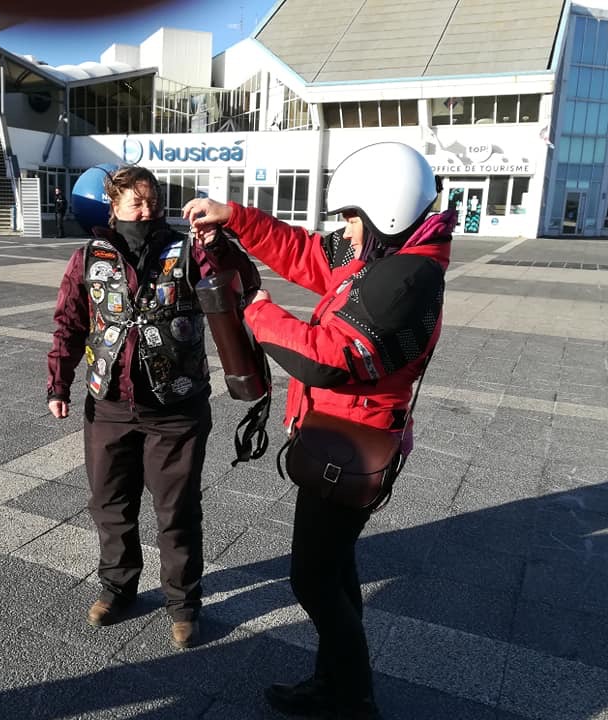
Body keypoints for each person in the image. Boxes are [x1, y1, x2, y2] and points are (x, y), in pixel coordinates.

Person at [182, 142, 456, 719]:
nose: (346, 231)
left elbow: (327, 359)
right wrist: (236, 217)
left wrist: (256, 308)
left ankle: (353, 699)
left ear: (388, 209)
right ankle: (335, 682)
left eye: (352, 219)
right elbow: (306, 253)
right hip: (336, 434)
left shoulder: (406, 278)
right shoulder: (386, 248)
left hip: (351, 447)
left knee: (312, 579)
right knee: (337, 571)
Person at [47, 165, 260, 649]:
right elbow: (69, 323)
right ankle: (117, 589)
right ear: (114, 206)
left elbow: (241, 282)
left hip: (176, 407)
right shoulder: (89, 256)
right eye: (135, 203)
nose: (146, 211)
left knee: (177, 510)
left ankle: (183, 604)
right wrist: (57, 383)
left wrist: (219, 244)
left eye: (152, 201)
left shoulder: (188, 248)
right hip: (109, 404)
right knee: (109, 505)